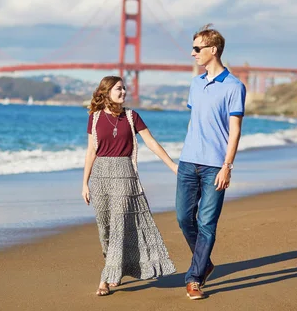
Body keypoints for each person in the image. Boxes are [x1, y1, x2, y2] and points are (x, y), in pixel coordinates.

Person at [82, 76, 178, 296]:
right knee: (104, 230)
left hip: (124, 175)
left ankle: (104, 279)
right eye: (118, 88)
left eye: (125, 88)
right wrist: (84, 183)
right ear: (106, 92)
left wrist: (172, 165)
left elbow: (151, 142)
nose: (124, 92)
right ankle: (114, 268)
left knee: (118, 227)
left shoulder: (132, 116)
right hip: (99, 178)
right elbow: (91, 152)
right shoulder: (94, 118)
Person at [177, 24, 246, 300]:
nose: (193, 53)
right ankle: (204, 261)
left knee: (206, 223)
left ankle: (194, 278)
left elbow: (235, 130)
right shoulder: (196, 83)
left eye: (197, 48)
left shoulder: (234, 86)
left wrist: (227, 166)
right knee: (183, 218)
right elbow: (196, 122)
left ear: (213, 50)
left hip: (215, 166)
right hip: (187, 162)